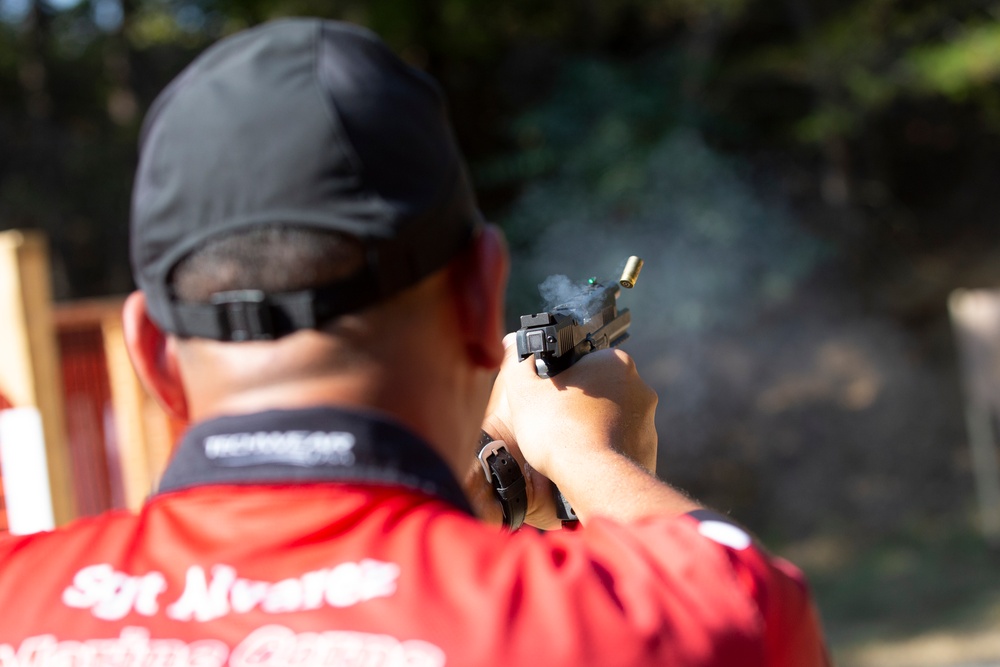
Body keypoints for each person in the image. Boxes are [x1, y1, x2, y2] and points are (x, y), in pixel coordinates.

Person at [0, 18, 829, 666]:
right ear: (479, 301)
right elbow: (745, 602)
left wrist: (486, 486)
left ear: (150, 353)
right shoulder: (633, 621)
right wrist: (586, 457)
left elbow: (314, 580)